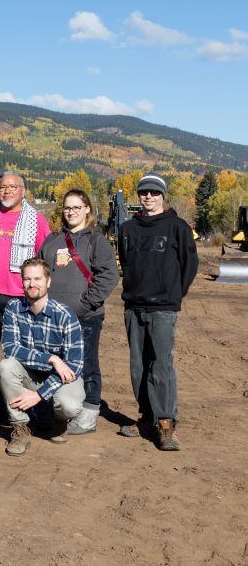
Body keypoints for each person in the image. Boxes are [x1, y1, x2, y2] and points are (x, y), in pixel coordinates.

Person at [117, 172, 198, 451]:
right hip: (134, 306)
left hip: (163, 308)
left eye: (154, 192)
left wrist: (173, 294)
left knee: (161, 366)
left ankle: (165, 423)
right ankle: (147, 417)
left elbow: (189, 265)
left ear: (163, 196)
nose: (148, 196)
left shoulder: (177, 227)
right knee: (138, 366)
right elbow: (126, 262)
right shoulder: (128, 228)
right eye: (144, 192)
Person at [38, 189, 119, 435]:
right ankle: (55, 411)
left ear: (87, 210)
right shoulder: (52, 240)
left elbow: (109, 275)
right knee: (54, 363)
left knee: (87, 363)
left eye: (76, 207)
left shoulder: (96, 240)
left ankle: (87, 416)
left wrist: (85, 304)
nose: (71, 212)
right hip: (52, 318)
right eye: (67, 207)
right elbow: (40, 271)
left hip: (85, 317)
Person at [0, 258, 85, 456]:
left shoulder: (65, 315)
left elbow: (74, 364)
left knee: (69, 406)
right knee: (6, 366)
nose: (32, 284)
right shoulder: (13, 308)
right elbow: (10, 349)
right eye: (27, 279)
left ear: (48, 281)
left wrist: (40, 395)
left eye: (37, 279)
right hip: (30, 375)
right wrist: (51, 358)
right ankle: (20, 427)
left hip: (61, 378)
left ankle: (59, 420)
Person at [0, 171, 51, 343]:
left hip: (23, 296)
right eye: (3, 187)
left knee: (19, 348)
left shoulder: (37, 220)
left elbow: (44, 261)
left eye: (13, 187)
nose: (7, 191)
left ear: (23, 191)